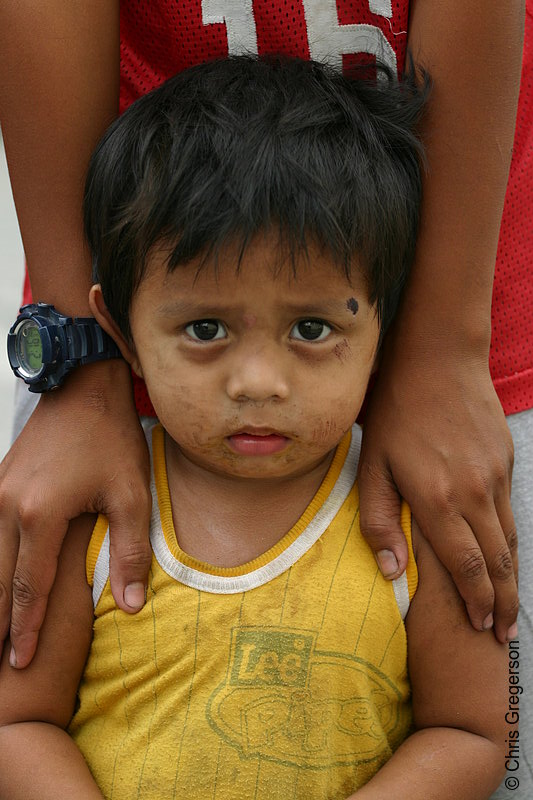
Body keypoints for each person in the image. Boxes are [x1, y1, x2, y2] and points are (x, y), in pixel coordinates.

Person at [0, 55, 508, 800]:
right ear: (122, 331)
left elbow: (475, 731)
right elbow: (17, 725)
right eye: (205, 328)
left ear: (385, 330)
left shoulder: (420, 511)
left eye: (311, 327)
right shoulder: (93, 515)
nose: (258, 383)